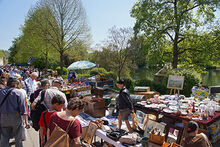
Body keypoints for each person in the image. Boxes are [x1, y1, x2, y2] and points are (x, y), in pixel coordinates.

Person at [0, 77, 29, 147]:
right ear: (15, 84)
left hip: (3, 116)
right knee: (18, 137)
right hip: (15, 116)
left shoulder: (1, 92)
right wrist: (26, 120)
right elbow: (22, 108)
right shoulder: (18, 93)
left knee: (4, 137)